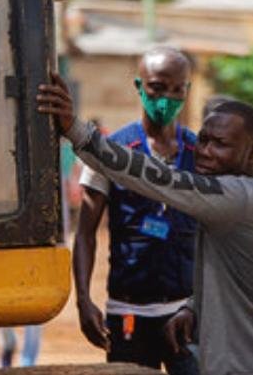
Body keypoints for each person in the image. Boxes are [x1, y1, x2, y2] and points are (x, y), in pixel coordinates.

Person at [39, 76, 253, 375]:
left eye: (221, 145)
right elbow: (236, 272)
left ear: (252, 152)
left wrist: (76, 130)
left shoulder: (239, 198)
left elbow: (157, 177)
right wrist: (193, 307)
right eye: (203, 139)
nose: (205, 152)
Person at [72, 47, 199, 374]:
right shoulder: (111, 151)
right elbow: (85, 233)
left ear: (187, 90)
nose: (166, 97)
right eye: (157, 87)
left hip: (186, 313)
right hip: (128, 312)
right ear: (139, 86)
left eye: (177, 89)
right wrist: (84, 299)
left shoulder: (202, 155)